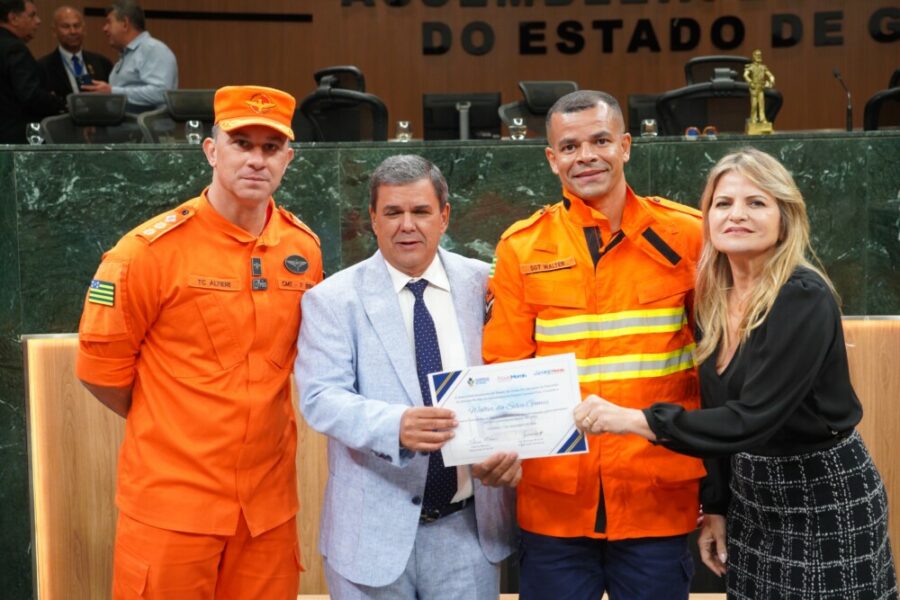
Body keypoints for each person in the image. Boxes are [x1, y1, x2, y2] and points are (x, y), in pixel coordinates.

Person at [579, 148, 899, 599]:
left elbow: (751, 418)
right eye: (723, 203)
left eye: (757, 202)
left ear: (784, 217)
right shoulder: (711, 299)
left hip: (823, 496)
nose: (737, 215)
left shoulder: (802, 297)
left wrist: (634, 420)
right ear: (706, 217)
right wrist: (716, 506)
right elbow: (716, 411)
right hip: (752, 500)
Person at [76, 84, 322, 599]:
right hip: (174, 508)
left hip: (267, 512)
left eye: (270, 147)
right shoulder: (147, 253)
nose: (256, 160)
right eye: (241, 143)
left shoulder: (303, 249)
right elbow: (101, 374)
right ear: (211, 150)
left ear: (288, 159)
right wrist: (177, 422)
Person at [483, 90, 706, 600]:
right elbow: (503, 368)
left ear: (625, 146)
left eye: (600, 140)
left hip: (657, 496)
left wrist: (717, 493)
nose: (585, 156)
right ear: (551, 159)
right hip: (555, 505)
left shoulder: (688, 235)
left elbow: (714, 371)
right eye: (570, 146)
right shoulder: (521, 247)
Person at [296, 154, 518, 599]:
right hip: (369, 539)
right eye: (393, 213)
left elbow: (509, 378)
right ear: (373, 220)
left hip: (468, 533)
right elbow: (321, 397)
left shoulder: (485, 284)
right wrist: (393, 426)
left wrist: (513, 449)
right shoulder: (332, 299)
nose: (407, 225)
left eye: (420, 211)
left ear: (444, 216)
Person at [81, 0, 177, 112]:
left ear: (125, 24)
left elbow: (161, 93)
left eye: (109, 22)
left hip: (147, 129)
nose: (104, 28)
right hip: (125, 128)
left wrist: (112, 92)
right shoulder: (126, 56)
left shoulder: (153, 49)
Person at [0, 0, 65, 143]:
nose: (38, 21)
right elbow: (30, 95)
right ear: (13, 18)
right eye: (32, 15)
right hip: (15, 139)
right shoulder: (15, 49)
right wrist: (56, 101)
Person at [37, 6, 113, 100]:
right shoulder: (42, 68)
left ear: (84, 29)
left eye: (77, 26)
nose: (73, 31)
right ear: (54, 31)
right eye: (66, 27)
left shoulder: (102, 63)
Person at [743, 49, 774, 126]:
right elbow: (745, 75)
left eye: (760, 55)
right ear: (754, 56)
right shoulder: (751, 67)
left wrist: (771, 81)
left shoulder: (763, 67)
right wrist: (750, 82)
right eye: (757, 55)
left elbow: (770, 75)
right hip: (754, 87)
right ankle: (753, 119)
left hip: (761, 88)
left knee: (761, 105)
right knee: (754, 105)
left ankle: (762, 119)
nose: (759, 57)